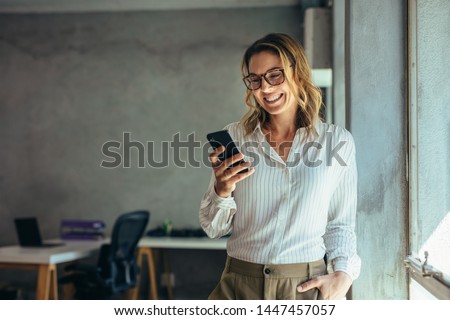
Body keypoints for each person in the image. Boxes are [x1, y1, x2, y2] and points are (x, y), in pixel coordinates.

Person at [199, 33, 360, 300]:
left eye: (275, 75)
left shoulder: (337, 141)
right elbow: (213, 228)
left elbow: (340, 224)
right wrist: (221, 190)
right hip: (240, 284)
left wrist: (343, 275)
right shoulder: (237, 137)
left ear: (298, 73)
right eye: (255, 79)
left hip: (305, 287)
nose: (265, 88)